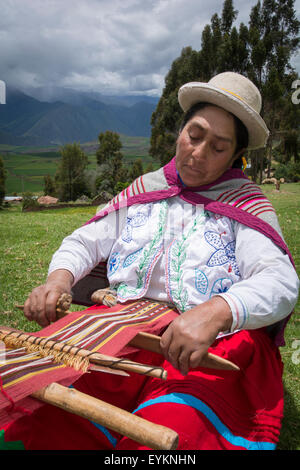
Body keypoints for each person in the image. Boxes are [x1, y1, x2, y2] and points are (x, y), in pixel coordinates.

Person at [2, 72, 299, 450]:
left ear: (236, 155)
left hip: (208, 343)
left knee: (177, 427)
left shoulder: (246, 204)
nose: (199, 152)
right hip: (120, 327)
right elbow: (85, 241)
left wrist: (218, 311)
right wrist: (58, 281)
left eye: (219, 147)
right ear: (180, 131)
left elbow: (279, 280)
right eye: (194, 135)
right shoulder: (146, 189)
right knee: (52, 414)